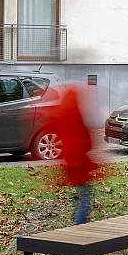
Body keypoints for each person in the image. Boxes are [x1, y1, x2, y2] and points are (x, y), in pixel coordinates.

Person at [45, 84, 100, 223]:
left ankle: (80, 220)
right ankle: (80, 223)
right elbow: (85, 140)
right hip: (79, 164)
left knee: (83, 195)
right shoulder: (76, 116)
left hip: (72, 163)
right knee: (85, 195)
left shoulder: (64, 115)